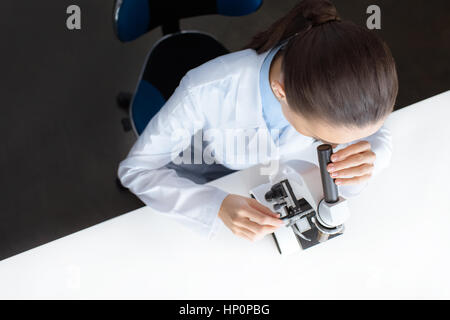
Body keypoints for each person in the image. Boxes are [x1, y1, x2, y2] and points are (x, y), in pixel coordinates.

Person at [118, 0, 398, 242]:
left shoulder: (337, 78)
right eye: (319, 138)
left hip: (261, 171)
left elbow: (374, 131)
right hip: (207, 160)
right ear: (281, 91)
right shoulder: (205, 89)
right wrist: (216, 205)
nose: (341, 146)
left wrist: (375, 153)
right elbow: (137, 170)